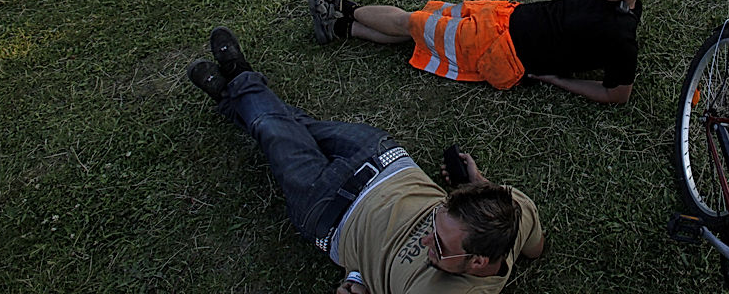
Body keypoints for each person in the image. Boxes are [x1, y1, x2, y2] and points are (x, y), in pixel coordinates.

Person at [185, 27, 543, 293]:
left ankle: (239, 78)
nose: (424, 240)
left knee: (273, 128)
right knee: (296, 124)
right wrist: (479, 187)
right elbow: (535, 249)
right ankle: (235, 96)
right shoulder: (515, 211)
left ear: (477, 262)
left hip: (328, 208)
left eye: (438, 241)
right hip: (382, 158)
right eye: (436, 219)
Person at [302, 0, 659, 104]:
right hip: (503, 15)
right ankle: (338, 30)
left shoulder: (622, 38)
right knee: (427, 30)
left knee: (414, 24)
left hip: (499, 49)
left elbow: (617, 95)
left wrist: (557, 80)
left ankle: (342, 6)